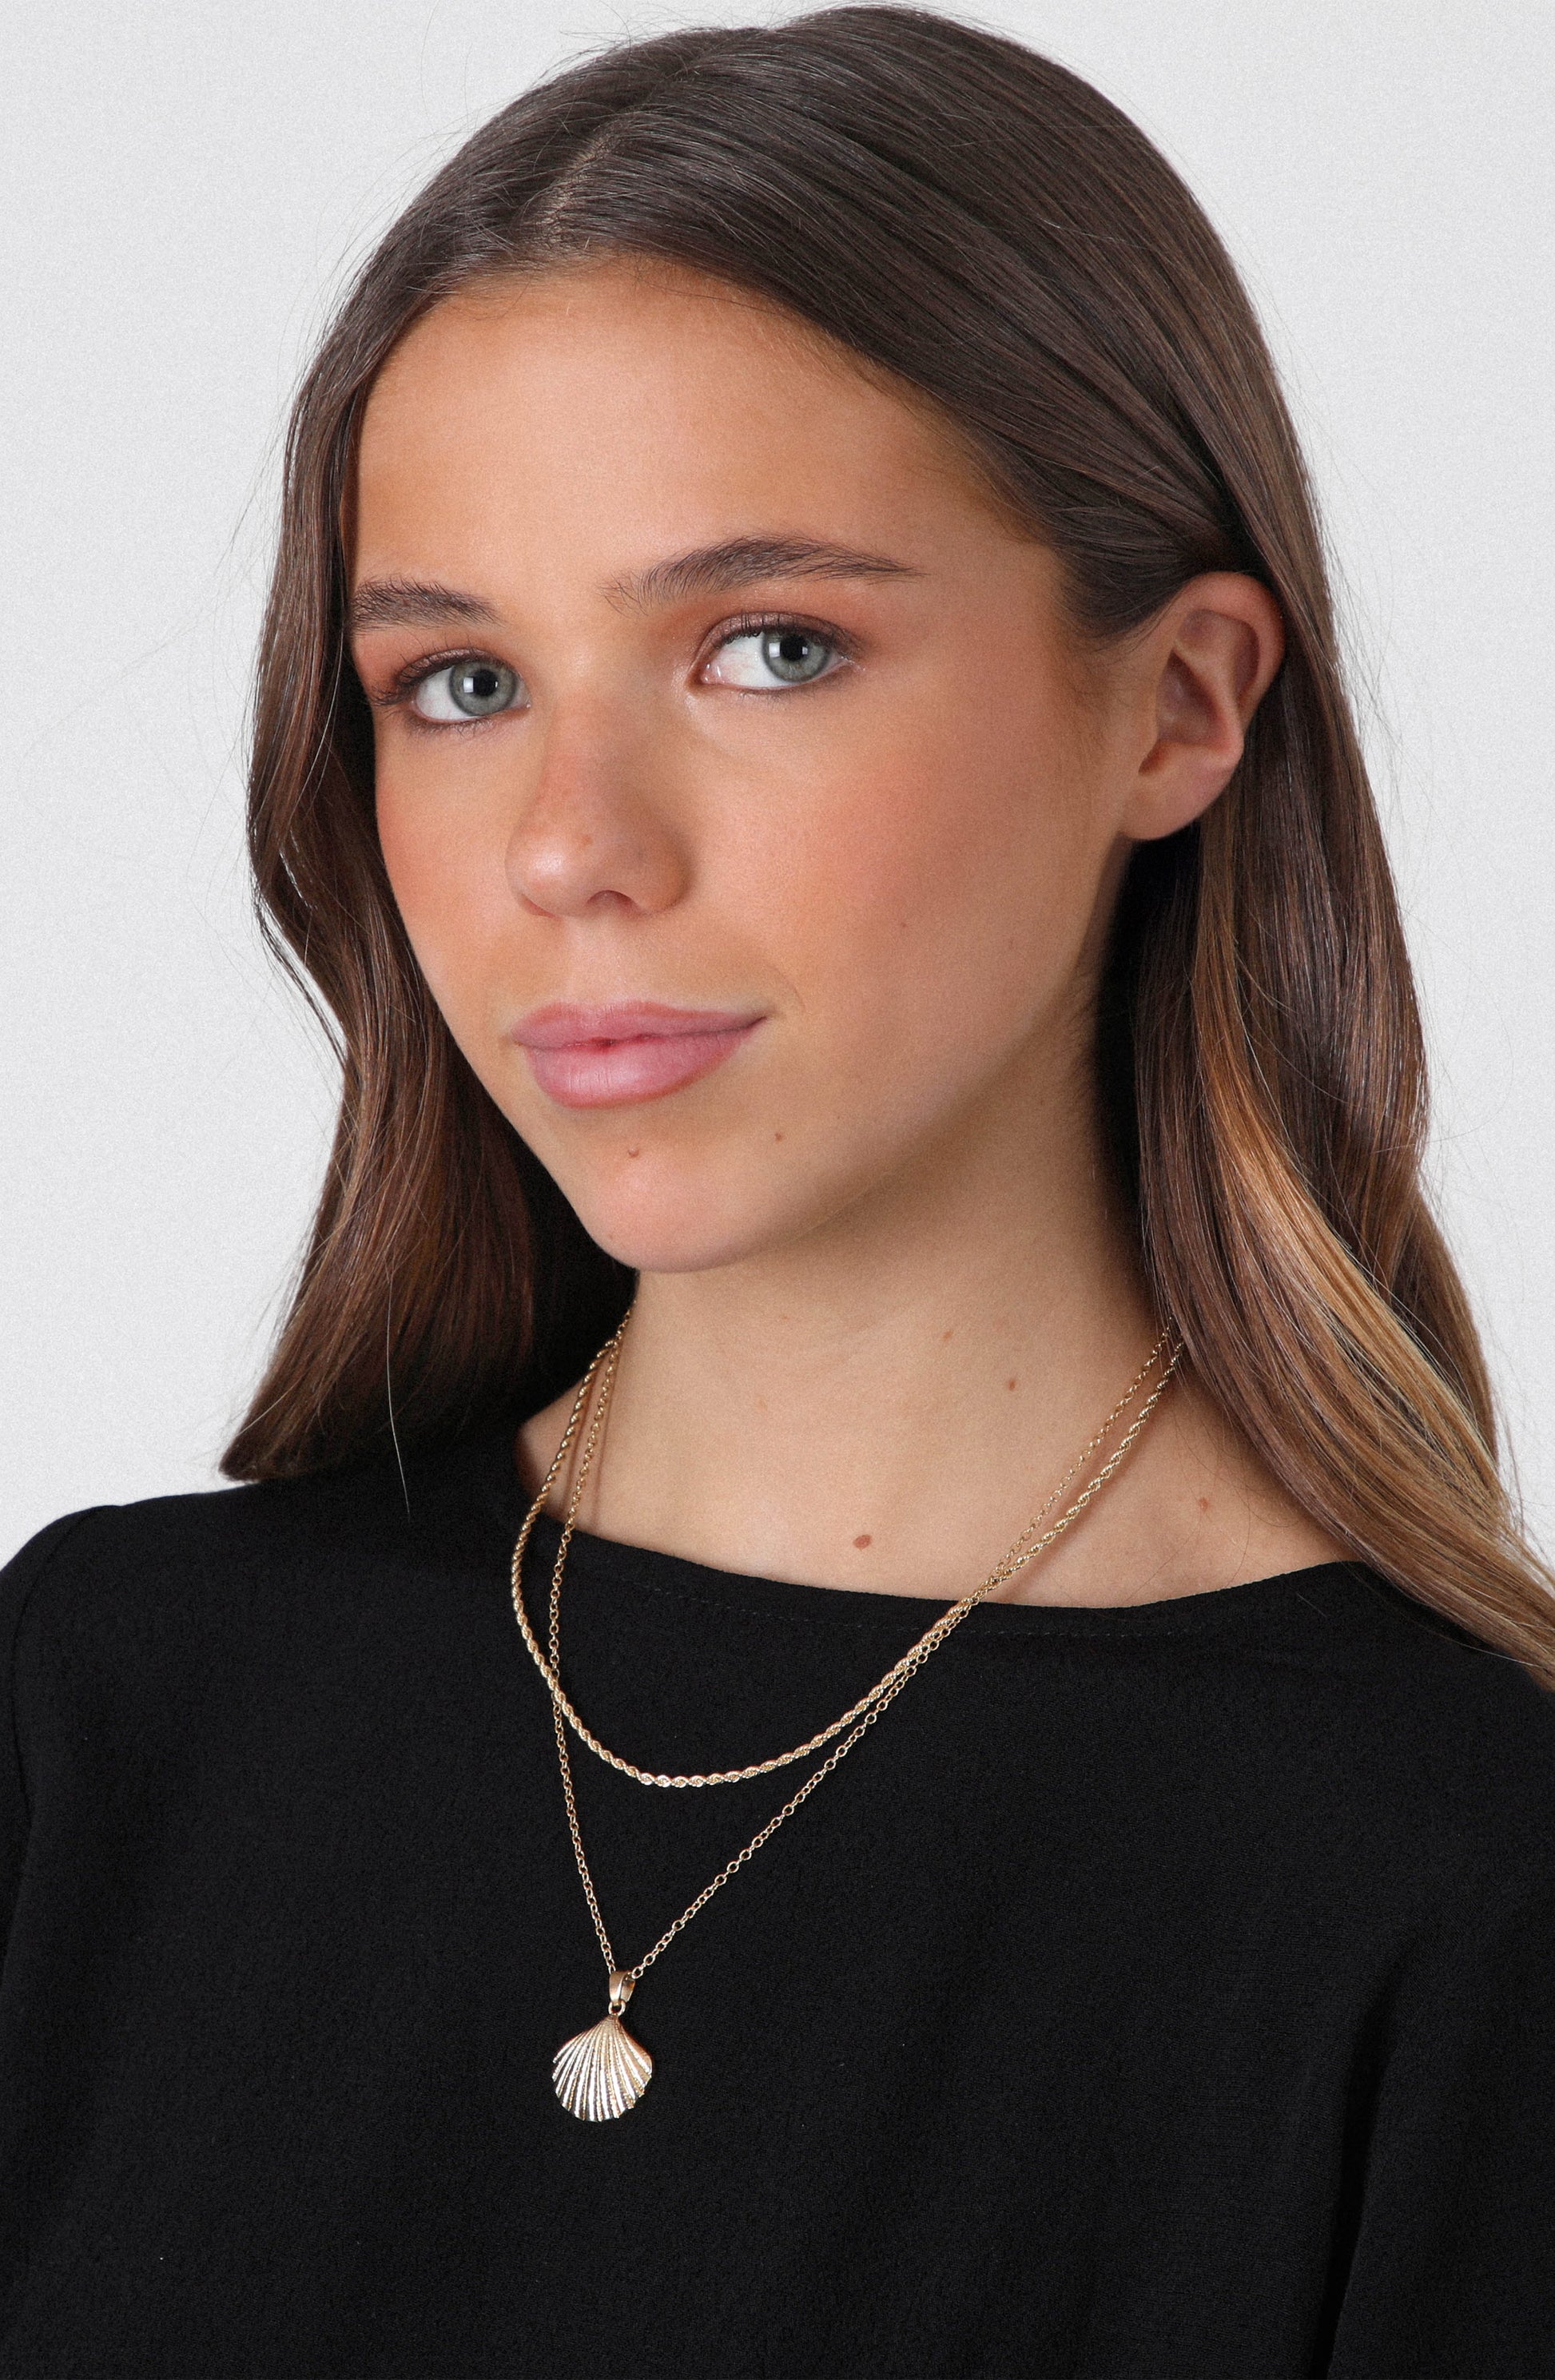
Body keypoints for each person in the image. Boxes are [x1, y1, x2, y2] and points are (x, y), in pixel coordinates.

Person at [3, 7, 1553, 2372]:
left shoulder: (1464, 1899)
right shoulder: (108, 1712)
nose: (569, 850)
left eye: (768, 646)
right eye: (457, 681)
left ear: (1180, 703)